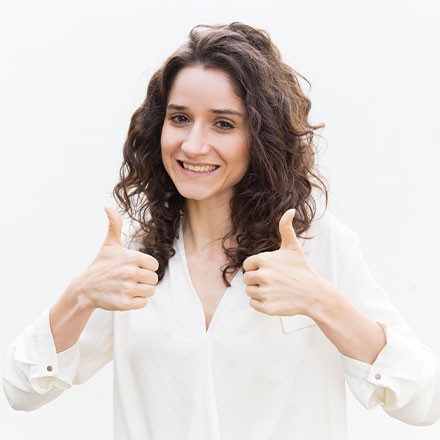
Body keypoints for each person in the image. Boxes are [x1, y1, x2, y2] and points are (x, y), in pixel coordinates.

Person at [3, 21, 440, 440]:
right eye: (179, 118)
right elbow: (22, 388)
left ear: (262, 136)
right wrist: (81, 295)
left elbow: (424, 400)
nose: (193, 145)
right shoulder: (136, 257)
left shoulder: (317, 246)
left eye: (223, 123)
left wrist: (320, 301)